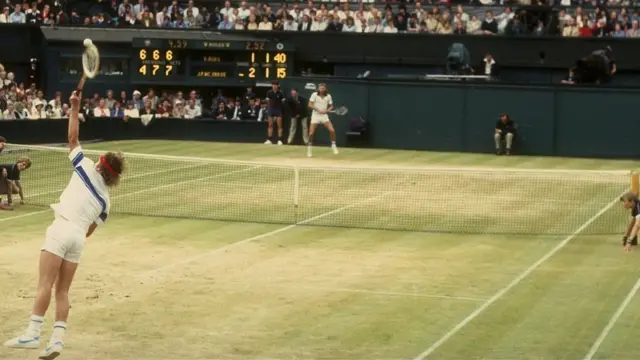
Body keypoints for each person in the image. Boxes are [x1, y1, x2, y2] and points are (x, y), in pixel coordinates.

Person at [4, 90, 125, 360]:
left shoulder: (85, 168)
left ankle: (33, 333)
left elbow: (71, 138)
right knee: (63, 290)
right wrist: (76, 235)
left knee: (44, 284)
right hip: (78, 239)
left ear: (101, 164)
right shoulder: (106, 201)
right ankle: (56, 341)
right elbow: (90, 231)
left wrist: (74, 106)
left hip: (61, 229)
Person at [307, 83, 339, 157]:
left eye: (323, 88)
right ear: (318, 89)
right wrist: (318, 109)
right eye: (320, 88)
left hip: (324, 116)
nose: (321, 89)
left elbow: (331, 106)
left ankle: (333, 145)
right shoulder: (314, 95)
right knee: (311, 133)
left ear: (325, 89)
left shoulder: (328, 96)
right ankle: (309, 149)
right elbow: (309, 104)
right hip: (315, 115)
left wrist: (327, 110)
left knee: (332, 130)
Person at [264, 81, 285, 145]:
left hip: (278, 110)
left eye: (275, 85)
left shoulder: (281, 93)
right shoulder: (269, 92)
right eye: (273, 85)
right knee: (270, 125)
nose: (274, 86)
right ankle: (269, 139)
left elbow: (283, 102)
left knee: (279, 126)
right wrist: (269, 108)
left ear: (278, 86)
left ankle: (280, 140)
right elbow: (267, 101)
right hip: (271, 109)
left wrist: (279, 108)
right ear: (272, 86)